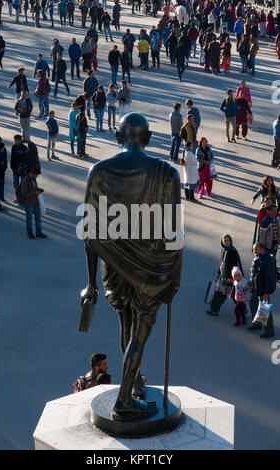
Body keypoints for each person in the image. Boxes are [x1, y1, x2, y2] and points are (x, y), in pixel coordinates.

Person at [81, 113, 182, 417]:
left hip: (112, 269)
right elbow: (173, 233)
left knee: (126, 323)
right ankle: (124, 400)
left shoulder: (98, 171)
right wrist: (172, 275)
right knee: (140, 332)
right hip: (152, 268)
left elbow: (90, 233)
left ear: (118, 136)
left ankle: (134, 381)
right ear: (149, 138)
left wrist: (91, 282)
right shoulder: (167, 174)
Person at [207, 235, 243, 316]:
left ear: (231, 241)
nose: (226, 242)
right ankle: (243, 309)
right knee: (231, 293)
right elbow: (222, 264)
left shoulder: (232, 252)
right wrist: (218, 273)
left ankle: (214, 310)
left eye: (228, 240)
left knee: (222, 294)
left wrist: (229, 278)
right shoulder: (224, 250)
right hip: (223, 277)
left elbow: (233, 266)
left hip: (228, 278)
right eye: (225, 241)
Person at [248, 243, 276, 339]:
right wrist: (252, 284)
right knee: (253, 303)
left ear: (262, 249)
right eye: (253, 250)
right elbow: (254, 273)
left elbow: (269, 278)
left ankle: (269, 331)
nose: (254, 252)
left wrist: (266, 292)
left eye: (256, 249)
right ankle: (257, 324)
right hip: (257, 287)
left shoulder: (268, 260)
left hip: (263, 289)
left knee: (265, 309)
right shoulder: (258, 257)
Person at [21, 168, 47, 239]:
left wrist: (38, 189)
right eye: (36, 174)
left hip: (35, 202)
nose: (37, 176)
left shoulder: (33, 179)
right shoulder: (26, 181)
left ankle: (39, 232)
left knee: (38, 218)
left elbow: (34, 187)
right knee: (29, 219)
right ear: (32, 173)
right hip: (29, 203)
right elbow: (24, 194)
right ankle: (29, 233)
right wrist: (34, 193)